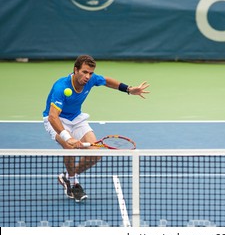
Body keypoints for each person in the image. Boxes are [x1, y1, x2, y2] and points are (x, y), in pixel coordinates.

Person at [43, 55, 150, 202]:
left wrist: (129, 89)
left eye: (90, 73)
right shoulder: (61, 87)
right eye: (84, 72)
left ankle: (68, 177)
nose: (88, 76)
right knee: (69, 147)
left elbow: (107, 81)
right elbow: (52, 117)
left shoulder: (91, 79)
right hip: (56, 119)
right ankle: (74, 183)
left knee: (95, 155)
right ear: (75, 70)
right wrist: (69, 138)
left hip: (76, 118)